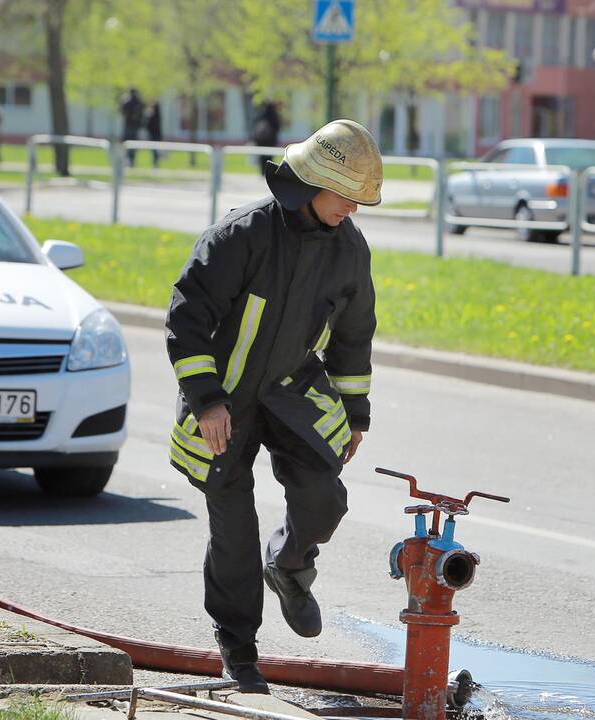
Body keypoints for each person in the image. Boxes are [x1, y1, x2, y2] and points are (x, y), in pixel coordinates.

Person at [165, 119, 382, 694]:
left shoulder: (350, 251)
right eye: (349, 196)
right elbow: (186, 320)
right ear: (315, 182)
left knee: (324, 498)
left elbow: (353, 337)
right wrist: (207, 401)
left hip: (292, 395)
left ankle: (289, 567)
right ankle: (239, 653)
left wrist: (355, 416)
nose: (355, 210)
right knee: (233, 528)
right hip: (225, 402)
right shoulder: (243, 235)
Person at [252, 101, 281, 169]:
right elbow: (277, 127)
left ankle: (262, 171)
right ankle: (268, 171)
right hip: (270, 140)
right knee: (269, 157)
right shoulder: (273, 115)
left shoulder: (261, 114)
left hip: (260, 140)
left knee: (262, 157)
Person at [120, 88, 144, 167]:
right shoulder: (139, 102)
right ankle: (132, 161)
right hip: (136, 126)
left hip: (129, 126)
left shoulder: (127, 102)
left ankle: (128, 161)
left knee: (127, 145)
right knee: (133, 145)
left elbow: (122, 110)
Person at [146, 102, 162, 168]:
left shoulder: (153, 116)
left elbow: (148, 125)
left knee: (154, 150)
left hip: (153, 134)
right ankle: (155, 163)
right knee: (155, 150)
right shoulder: (158, 115)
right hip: (156, 134)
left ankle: (155, 163)